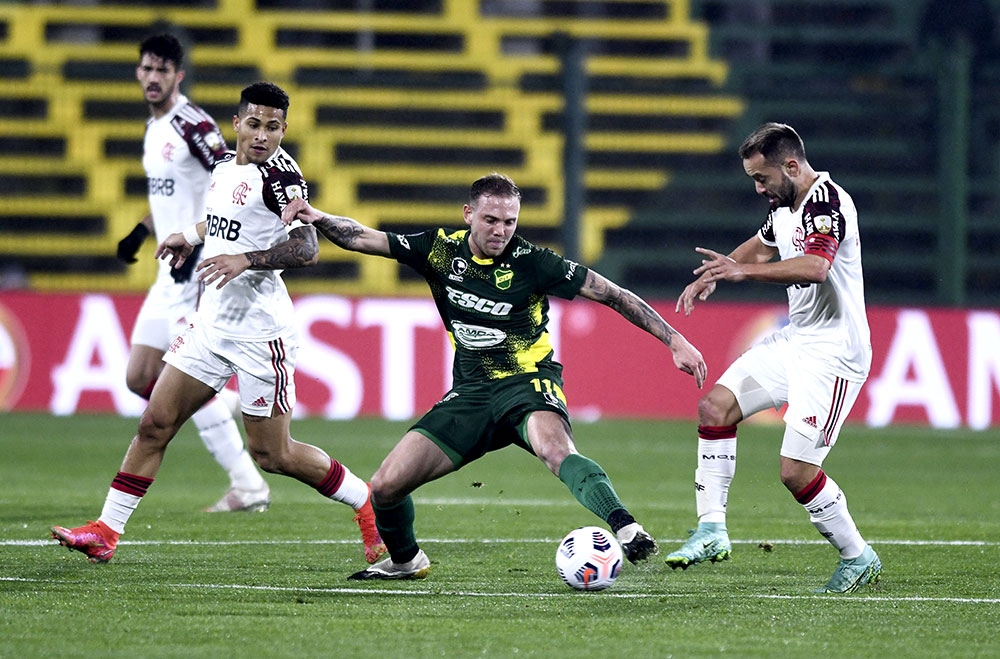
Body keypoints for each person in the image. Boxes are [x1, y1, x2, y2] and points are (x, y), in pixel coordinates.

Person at [280, 172, 708, 580]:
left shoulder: (534, 262)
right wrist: (318, 217)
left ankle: (626, 527)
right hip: (472, 393)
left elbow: (614, 294)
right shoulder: (440, 250)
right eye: (490, 220)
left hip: (527, 382)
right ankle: (406, 561)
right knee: (386, 486)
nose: (501, 231)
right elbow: (363, 237)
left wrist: (674, 340)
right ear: (468, 214)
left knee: (555, 450)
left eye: (510, 221)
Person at [52, 82, 386, 566]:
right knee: (155, 423)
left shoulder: (282, 178)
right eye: (254, 124)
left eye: (273, 127)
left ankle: (365, 501)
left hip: (260, 334)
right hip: (211, 326)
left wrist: (244, 259)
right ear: (237, 124)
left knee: (272, 455)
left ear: (284, 130)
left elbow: (307, 248)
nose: (262, 135)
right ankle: (105, 531)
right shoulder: (226, 166)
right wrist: (187, 236)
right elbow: (221, 218)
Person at [665, 123, 881, 594]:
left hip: (834, 354)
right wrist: (718, 271)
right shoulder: (783, 205)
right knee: (715, 407)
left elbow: (817, 267)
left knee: (796, 472)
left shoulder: (826, 204)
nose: (759, 188)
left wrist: (742, 273)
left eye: (762, 178)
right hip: (796, 340)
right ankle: (711, 528)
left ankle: (858, 555)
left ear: (791, 166)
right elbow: (761, 246)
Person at [115, 33, 269, 513]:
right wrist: (141, 231)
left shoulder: (193, 124)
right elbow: (173, 194)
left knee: (181, 377)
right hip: (167, 271)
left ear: (177, 75)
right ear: (138, 72)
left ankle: (248, 486)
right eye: (147, 68)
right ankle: (222, 405)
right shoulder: (154, 128)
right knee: (140, 376)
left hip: (194, 269)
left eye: (162, 70)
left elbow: (229, 174)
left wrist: (210, 240)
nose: (153, 77)